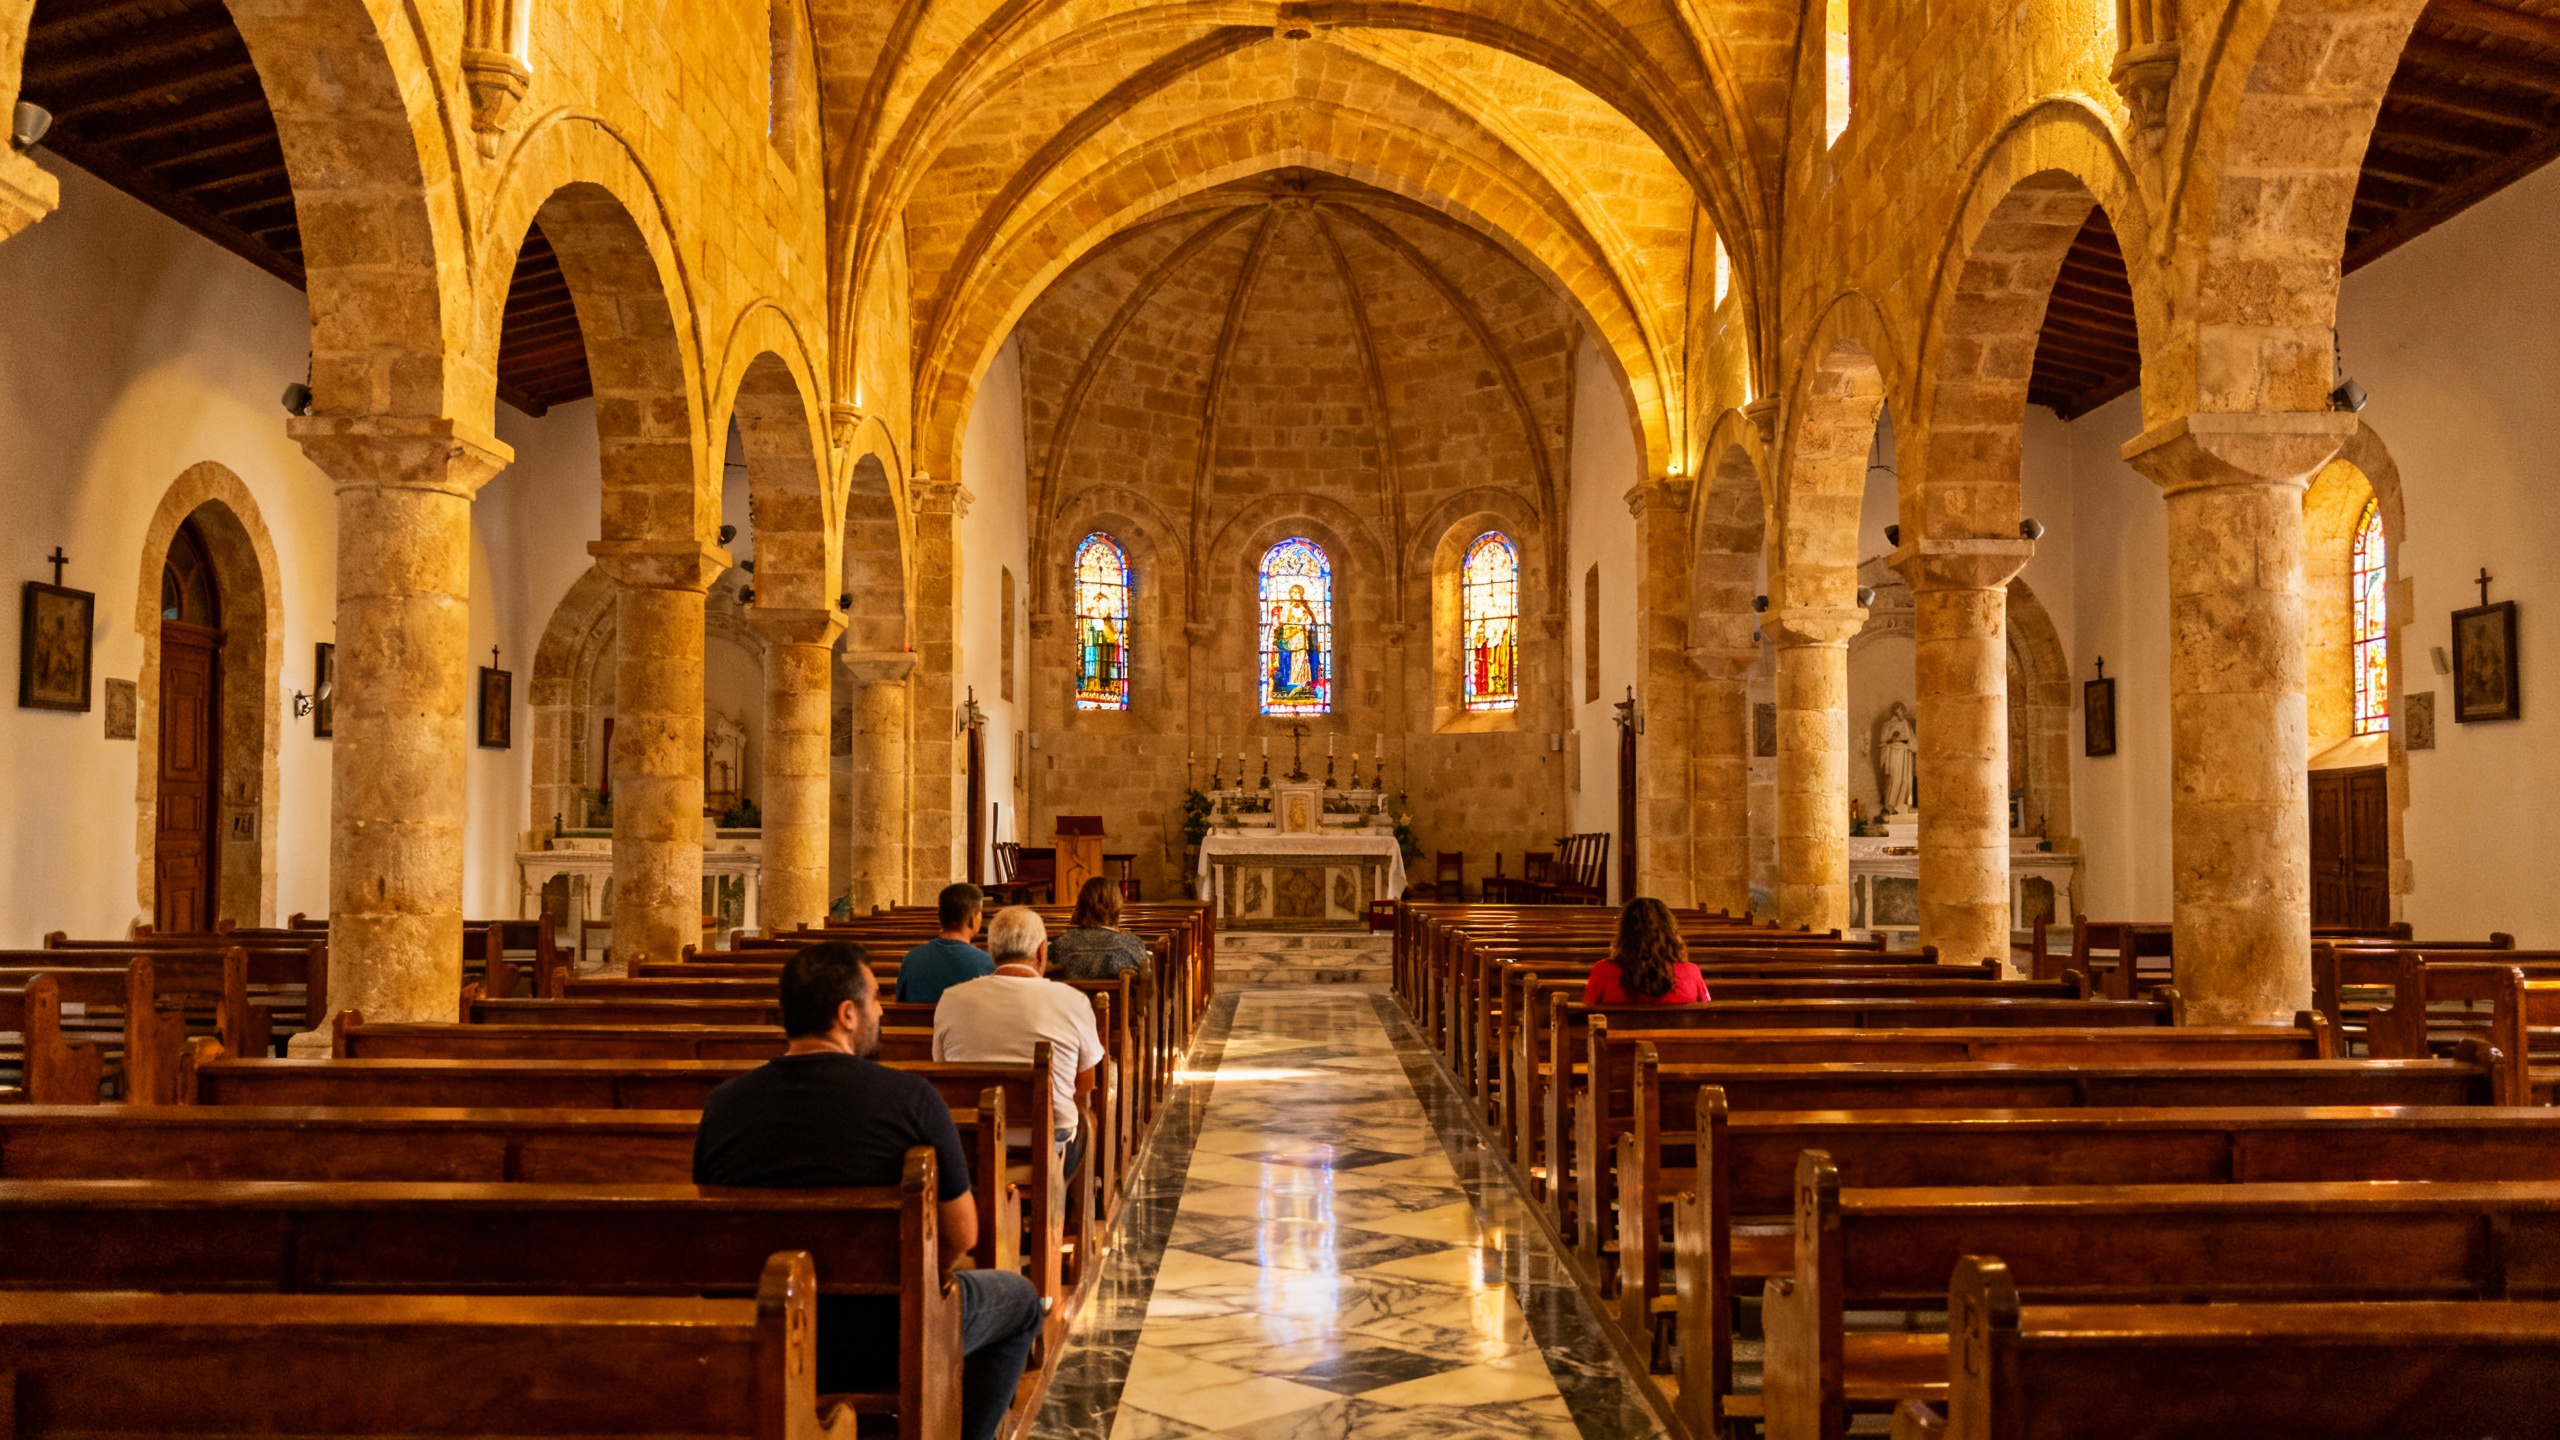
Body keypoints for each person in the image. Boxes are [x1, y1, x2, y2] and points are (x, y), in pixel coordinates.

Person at [693, 943, 1042, 1440]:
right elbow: (963, 1234)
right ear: (847, 1014)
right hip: (886, 1338)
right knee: (1021, 1300)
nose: (882, 1011)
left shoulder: (723, 1107)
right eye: (876, 999)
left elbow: (708, 1229)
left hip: (764, 1334)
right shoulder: (910, 1100)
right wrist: (917, 1280)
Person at [933, 907, 1106, 1179]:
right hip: (1051, 1143)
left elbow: (942, 1071)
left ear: (991, 952)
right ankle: (1071, 1210)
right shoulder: (1072, 1000)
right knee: (1086, 1122)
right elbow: (1084, 1083)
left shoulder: (951, 999)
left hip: (970, 1145)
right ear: (1040, 952)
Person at [1582, 897, 1710, 1005]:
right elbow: (1707, 1010)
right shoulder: (1691, 972)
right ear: (1670, 932)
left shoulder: (1604, 970)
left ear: (1624, 933)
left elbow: (1586, 1011)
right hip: (1676, 1034)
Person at [897, 883, 992, 1002]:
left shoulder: (911, 959)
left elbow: (901, 1001)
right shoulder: (986, 964)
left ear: (940, 916)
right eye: (980, 912)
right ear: (973, 918)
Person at [1047, 876, 1147, 982]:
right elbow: (1146, 985)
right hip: (1120, 999)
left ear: (1081, 905)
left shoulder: (1061, 944)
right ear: (1117, 906)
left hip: (1071, 998)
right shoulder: (1131, 944)